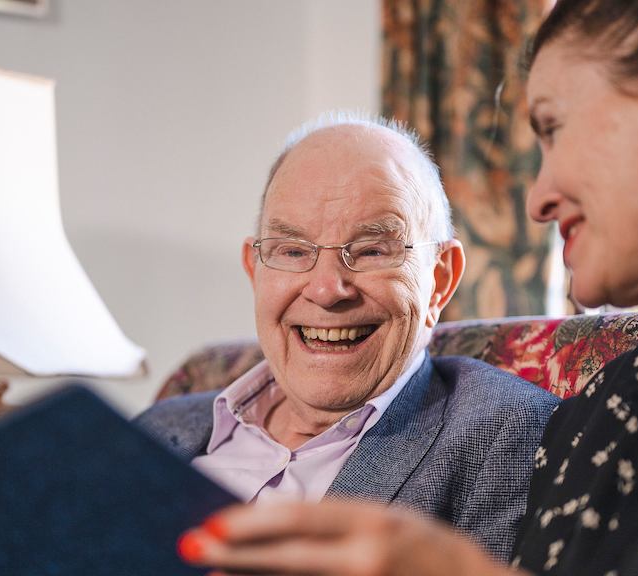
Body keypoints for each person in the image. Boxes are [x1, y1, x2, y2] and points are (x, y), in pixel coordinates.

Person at [175, 0, 638, 574]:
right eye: (291, 250)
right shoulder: (611, 410)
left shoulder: (520, 431)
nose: (538, 198)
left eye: (552, 127)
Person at [135, 113, 559, 559]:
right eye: (293, 251)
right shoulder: (157, 430)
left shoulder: (508, 437)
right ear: (254, 270)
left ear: (440, 278)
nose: (326, 290)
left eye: (372, 250)